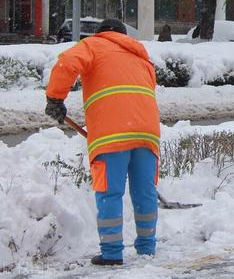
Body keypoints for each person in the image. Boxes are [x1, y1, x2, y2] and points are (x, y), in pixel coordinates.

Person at [45, 18, 161, 266]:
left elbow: (67, 63)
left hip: (111, 134)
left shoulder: (94, 45)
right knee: (145, 191)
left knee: (110, 192)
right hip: (147, 131)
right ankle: (147, 248)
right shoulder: (140, 55)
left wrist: (55, 98)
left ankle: (111, 253)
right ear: (122, 34)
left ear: (101, 33)